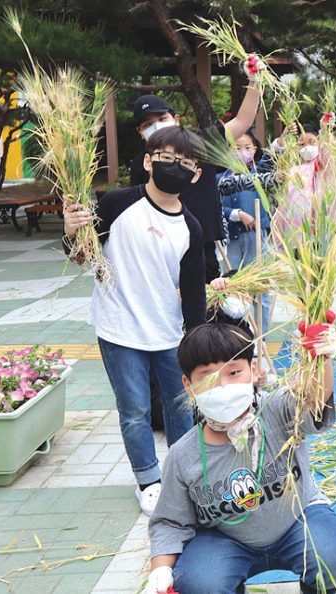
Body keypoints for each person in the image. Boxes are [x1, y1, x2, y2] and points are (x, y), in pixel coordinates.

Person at [144, 323, 336, 594]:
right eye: (207, 378)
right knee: (198, 584)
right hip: (225, 539)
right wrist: (160, 570)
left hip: (297, 519)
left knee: (335, 557)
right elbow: (170, 521)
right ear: (188, 385)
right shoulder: (183, 455)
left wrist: (321, 359)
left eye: (234, 372)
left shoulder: (277, 410)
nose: (223, 387)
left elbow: (313, 399)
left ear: (255, 371)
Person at [62, 126, 207, 515]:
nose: (175, 167)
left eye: (186, 163)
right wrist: (71, 231)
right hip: (119, 329)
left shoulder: (190, 227)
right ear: (147, 161)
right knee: (135, 411)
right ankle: (149, 481)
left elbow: (194, 293)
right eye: (166, 159)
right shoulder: (116, 204)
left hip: (167, 333)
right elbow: (83, 256)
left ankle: (185, 475)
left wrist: (197, 343)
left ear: (195, 174)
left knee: (180, 411)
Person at [130, 66, 263, 283]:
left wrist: (255, 80)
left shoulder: (201, 143)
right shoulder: (141, 162)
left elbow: (243, 121)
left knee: (203, 308)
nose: (156, 127)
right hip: (159, 248)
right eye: (147, 124)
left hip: (201, 244)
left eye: (162, 118)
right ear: (140, 132)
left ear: (176, 119)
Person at [217, 129, 276, 336]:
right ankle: (236, 335)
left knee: (260, 290)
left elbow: (272, 159)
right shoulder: (219, 178)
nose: (242, 152)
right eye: (236, 148)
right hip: (230, 241)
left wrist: (281, 142)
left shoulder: (258, 175)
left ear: (255, 149)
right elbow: (214, 207)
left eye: (247, 148)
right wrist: (236, 213)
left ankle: (261, 338)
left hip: (256, 238)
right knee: (230, 288)